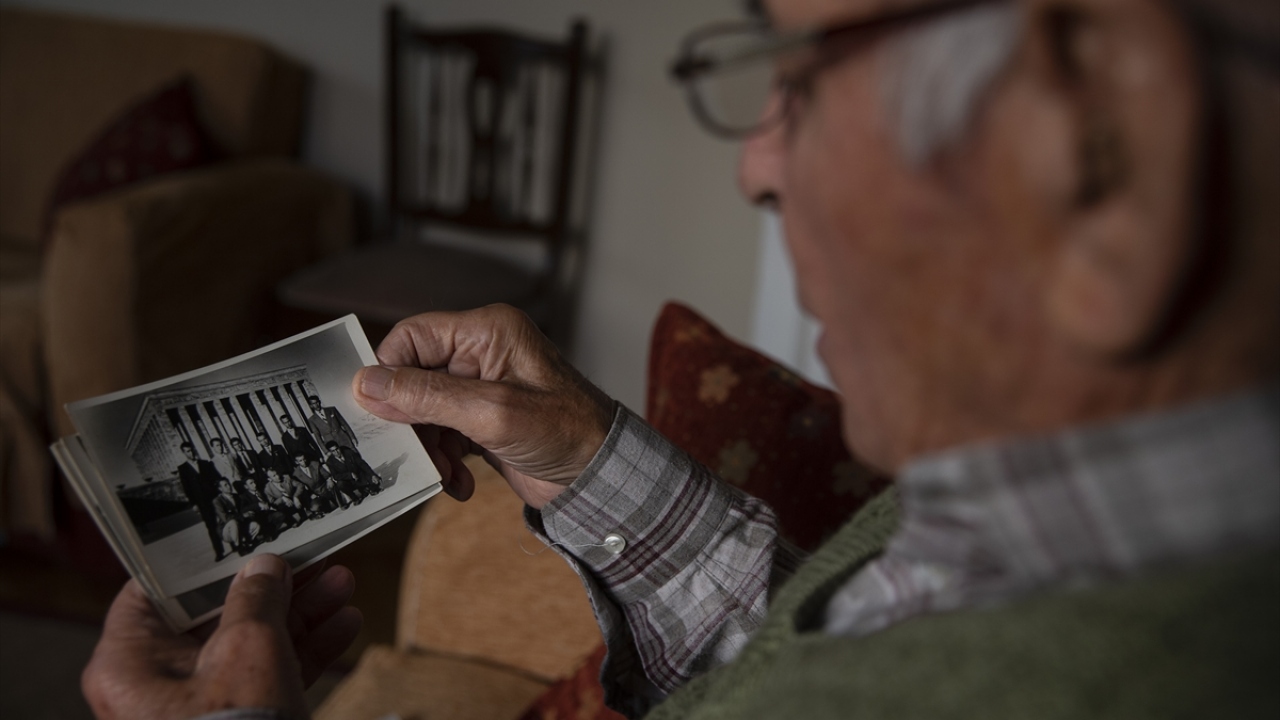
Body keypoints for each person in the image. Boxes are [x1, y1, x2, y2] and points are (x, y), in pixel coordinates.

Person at [83, 0, 1279, 718]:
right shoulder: (1035, 511)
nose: (753, 167)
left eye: (798, 79)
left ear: (1112, 152)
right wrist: (585, 454)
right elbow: (790, 658)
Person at [175, 442, 229, 562]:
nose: (191, 453)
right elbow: (187, 488)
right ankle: (219, 551)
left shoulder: (205, 463)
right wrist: (194, 504)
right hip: (202, 503)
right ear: (184, 453)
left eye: (192, 450)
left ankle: (235, 544)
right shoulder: (183, 469)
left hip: (215, 498)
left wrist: (219, 492)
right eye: (188, 451)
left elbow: (217, 478)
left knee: (225, 519)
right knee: (211, 526)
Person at [212, 478, 261, 557]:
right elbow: (225, 518)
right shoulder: (217, 501)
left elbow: (242, 510)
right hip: (227, 530)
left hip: (239, 525)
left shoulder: (236, 496)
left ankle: (247, 541)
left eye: (228, 484)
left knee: (255, 526)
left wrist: (248, 513)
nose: (229, 486)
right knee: (232, 522)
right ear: (220, 489)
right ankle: (239, 547)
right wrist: (243, 515)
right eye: (225, 485)